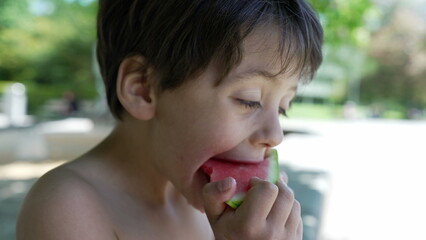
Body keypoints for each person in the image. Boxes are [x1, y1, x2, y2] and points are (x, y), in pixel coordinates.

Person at [17, 0, 323, 239]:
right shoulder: (68, 208)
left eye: (282, 107)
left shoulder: (207, 201)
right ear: (143, 89)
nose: (275, 134)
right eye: (249, 100)